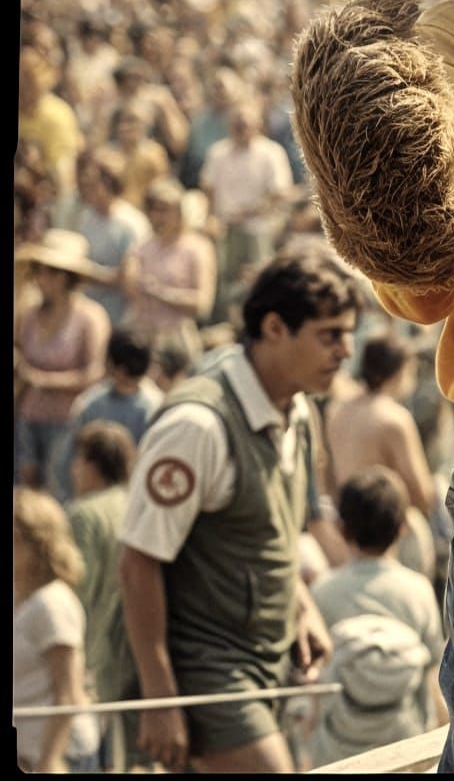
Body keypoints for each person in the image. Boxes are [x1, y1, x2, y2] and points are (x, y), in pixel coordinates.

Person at [117, 246, 357, 773]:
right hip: (204, 672)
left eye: (349, 334)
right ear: (274, 328)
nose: (346, 351)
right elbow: (138, 561)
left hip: (266, 661)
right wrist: (162, 699)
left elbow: (273, 531)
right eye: (330, 334)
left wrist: (300, 608)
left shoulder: (296, 411)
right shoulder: (198, 426)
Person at [306, 466, 447, 766]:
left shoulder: (322, 592)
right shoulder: (418, 591)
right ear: (402, 528)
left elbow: (314, 688)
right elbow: (433, 677)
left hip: (338, 748)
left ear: (342, 529)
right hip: (403, 744)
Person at [326, 334, 437, 578]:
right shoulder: (394, 419)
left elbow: (329, 477)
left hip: (349, 534)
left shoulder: (338, 412)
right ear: (400, 371)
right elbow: (421, 495)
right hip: (391, 537)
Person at [15, 230, 112, 495]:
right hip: (28, 416)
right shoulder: (30, 314)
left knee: (59, 490)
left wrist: (45, 381)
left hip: (67, 421)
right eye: (38, 269)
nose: (40, 277)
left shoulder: (90, 318)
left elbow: (95, 374)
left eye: (48, 271)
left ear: (66, 277)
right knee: (24, 491)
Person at [14, 487, 102, 773]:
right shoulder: (22, 598)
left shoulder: (52, 603)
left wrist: (49, 760)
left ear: (38, 542)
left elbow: (67, 692)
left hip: (59, 756)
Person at [67, 421, 138, 713]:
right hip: (131, 656)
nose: (73, 470)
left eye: (79, 460)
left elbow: (78, 592)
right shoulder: (136, 504)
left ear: (92, 464)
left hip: (94, 657)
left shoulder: (84, 515)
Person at [199, 98, 293, 314]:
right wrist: (210, 218)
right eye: (236, 124)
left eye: (245, 125)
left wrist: (250, 211)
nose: (241, 129)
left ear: (257, 125)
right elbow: (208, 189)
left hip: (258, 228)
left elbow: (279, 194)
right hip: (225, 227)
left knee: (256, 278)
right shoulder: (218, 152)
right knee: (225, 278)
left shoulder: (271, 153)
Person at [120, 176, 216, 359]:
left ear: (179, 212)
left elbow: (202, 303)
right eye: (152, 210)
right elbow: (130, 290)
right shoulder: (142, 247)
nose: (157, 217)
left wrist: (162, 293)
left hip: (177, 341)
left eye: (164, 210)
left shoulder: (198, 248)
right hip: (143, 338)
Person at [65, 147, 150, 328]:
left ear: (108, 184)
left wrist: (85, 273)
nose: (85, 186)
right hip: (87, 316)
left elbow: (128, 279)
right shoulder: (86, 216)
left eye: (92, 182)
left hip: (121, 321)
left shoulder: (131, 224)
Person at [19, 44, 84, 198]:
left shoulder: (56, 115)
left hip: (47, 199)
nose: (23, 86)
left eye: (27, 78)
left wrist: (36, 167)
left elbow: (64, 175)